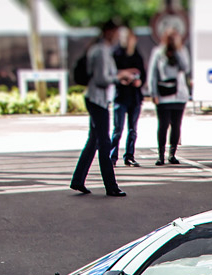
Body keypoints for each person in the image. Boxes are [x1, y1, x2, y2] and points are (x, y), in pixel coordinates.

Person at [70, 18, 131, 196]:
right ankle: (111, 186)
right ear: (110, 33)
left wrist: (119, 75)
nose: (119, 37)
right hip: (98, 100)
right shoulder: (102, 51)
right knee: (104, 143)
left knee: (93, 141)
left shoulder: (99, 49)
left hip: (95, 99)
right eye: (117, 33)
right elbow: (101, 79)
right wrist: (119, 78)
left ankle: (78, 180)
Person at [149, 28, 192, 165]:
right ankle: (160, 154)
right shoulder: (158, 53)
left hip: (179, 94)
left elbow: (185, 68)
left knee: (176, 125)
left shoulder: (182, 51)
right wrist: (153, 93)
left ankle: (172, 154)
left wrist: (177, 51)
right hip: (163, 95)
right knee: (163, 125)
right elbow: (153, 74)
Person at [109, 28, 145, 168]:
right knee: (118, 129)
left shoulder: (137, 55)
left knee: (133, 129)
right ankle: (112, 157)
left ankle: (129, 156)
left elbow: (143, 73)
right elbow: (113, 74)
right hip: (120, 96)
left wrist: (139, 81)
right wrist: (124, 76)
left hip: (135, 96)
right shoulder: (116, 54)